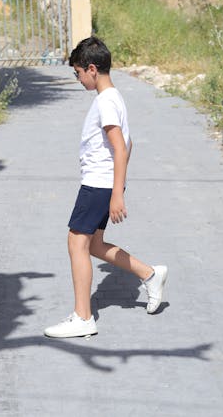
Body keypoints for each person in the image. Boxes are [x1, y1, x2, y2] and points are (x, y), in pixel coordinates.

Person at [44, 36, 168, 338]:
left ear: (91, 69)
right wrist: (118, 185)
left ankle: (83, 317)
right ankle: (149, 274)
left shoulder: (106, 101)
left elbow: (120, 148)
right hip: (103, 183)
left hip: (98, 185)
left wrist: (115, 193)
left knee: (77, 242)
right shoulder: (113, 98)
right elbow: (129, 142)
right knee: (94, 245)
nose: (78, 80)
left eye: (77, 73)